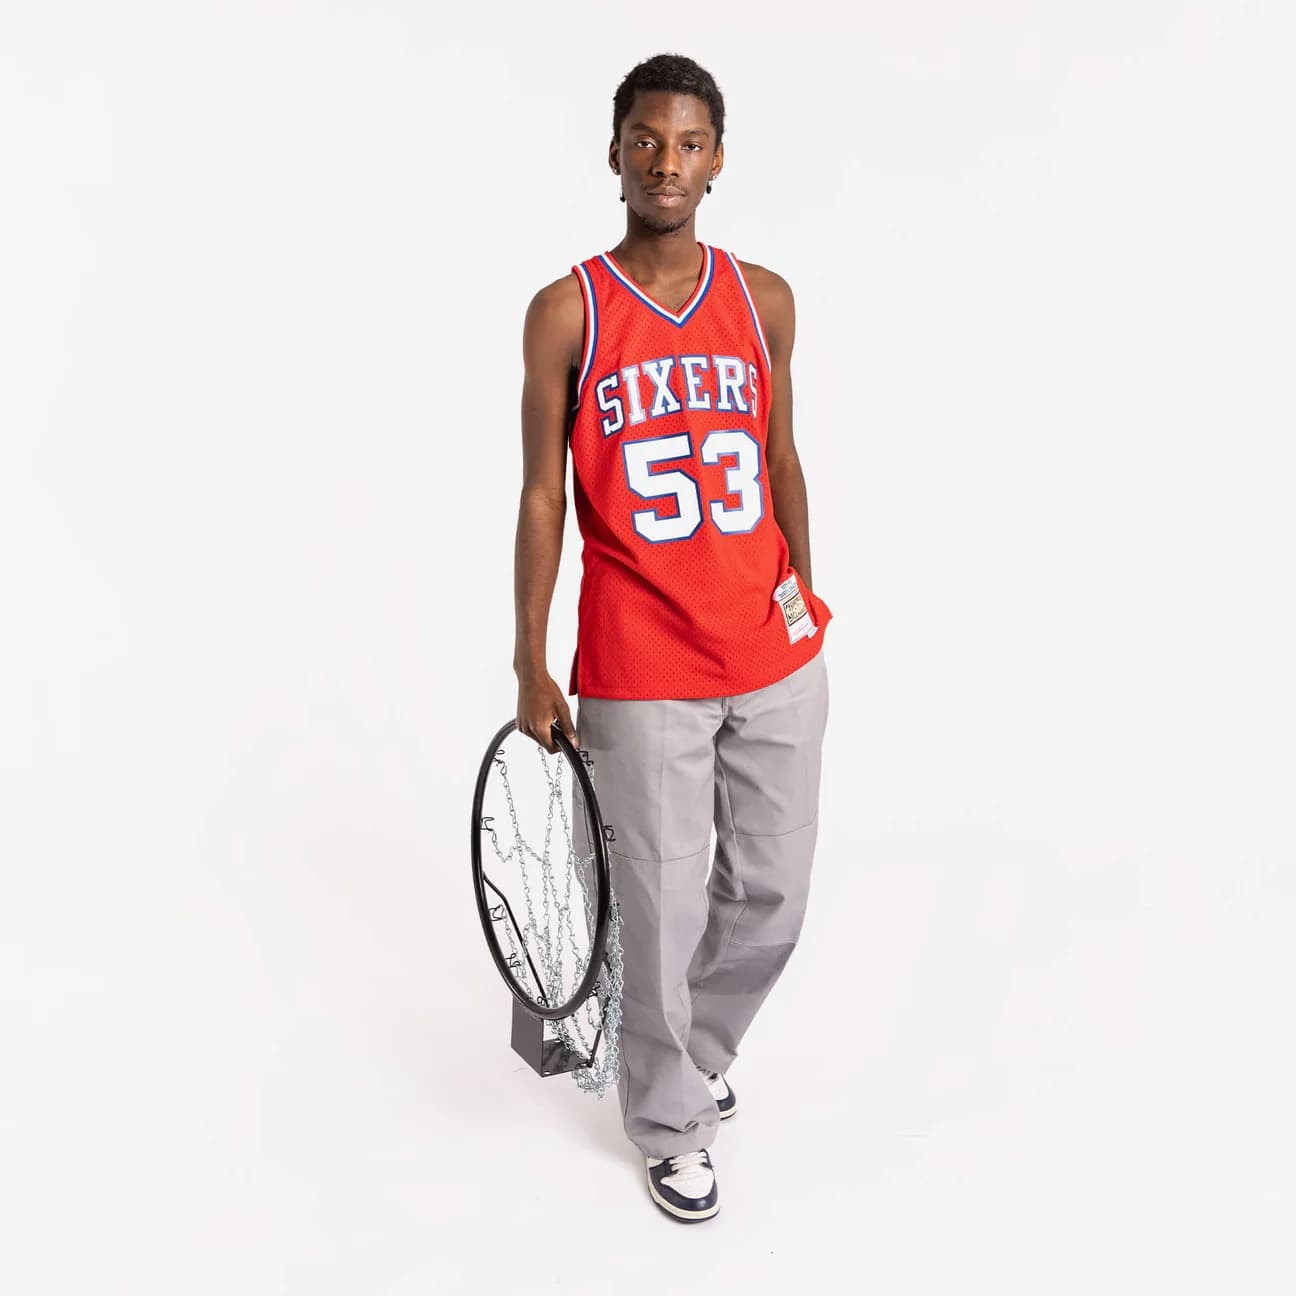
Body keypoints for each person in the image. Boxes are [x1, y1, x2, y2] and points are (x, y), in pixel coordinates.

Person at [512, 52, 832, 1223]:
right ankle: (668, 1120)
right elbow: (542, 496)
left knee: (774, 895)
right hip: (641, 663)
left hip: (769, 649)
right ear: (614, 154)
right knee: (659, 913)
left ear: (718, 161)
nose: (666, 163)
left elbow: (782, 455)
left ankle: (688, 1051)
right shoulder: (569, 310)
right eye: (646, 141)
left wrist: (804, 600)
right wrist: (528, 658)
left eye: (689, 144)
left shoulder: (765, 298)